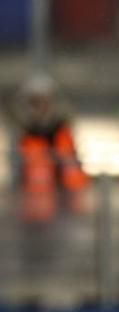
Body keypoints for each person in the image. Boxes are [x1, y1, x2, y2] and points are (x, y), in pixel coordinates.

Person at [11, 73, 89, 222]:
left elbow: (76, 174)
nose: (40, 107)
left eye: (44, 101)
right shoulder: (24, 138)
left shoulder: (64, 134)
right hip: (33, 213)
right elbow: (18, 177)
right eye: (35, 102)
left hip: (66, 211)